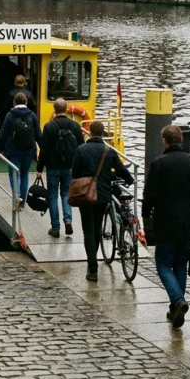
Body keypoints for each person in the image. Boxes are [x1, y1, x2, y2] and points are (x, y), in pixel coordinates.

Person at [141, 125, 190, 328]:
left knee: (163, 264)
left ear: (165, 141)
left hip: (166, 222)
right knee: (181, 265)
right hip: (189, 222)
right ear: (180, 140)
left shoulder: (158, 163)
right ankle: (176, 310)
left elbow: (150, 194)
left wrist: (145, 216)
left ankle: (178, 300)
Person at [71, 120, 133, 282]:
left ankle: (92, 268)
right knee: (97, 229)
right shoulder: (109, 151)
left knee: (88, 231)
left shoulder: (81, 150)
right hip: (103, 196)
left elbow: (75, 172)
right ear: (103, 133)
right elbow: (120, 169)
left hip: (85, 195)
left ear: (90, 132)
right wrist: (130, 179)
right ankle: (94, 260)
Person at [36, 98, 86, 238]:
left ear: (54, 109)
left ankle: (55, 227)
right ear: (66, 109)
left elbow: (44, 150)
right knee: (65, 194)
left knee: (52, 195)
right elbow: (81, 146)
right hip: (69, 166)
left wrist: (40, 168)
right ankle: (68, 220)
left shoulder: (49, 127)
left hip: (53, 167)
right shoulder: (75, 126)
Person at [0, 92, 41, 210]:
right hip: (28, 150)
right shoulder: (32, 115)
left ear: (14, 102)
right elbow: (38, 134)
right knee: (24, 174)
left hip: (13, 150)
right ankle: (23, 199)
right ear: (26, 102)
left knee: (14, 174)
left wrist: (1, 148)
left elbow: (4, 133)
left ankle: (16, 197)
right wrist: (41, 149)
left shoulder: (10, 115)